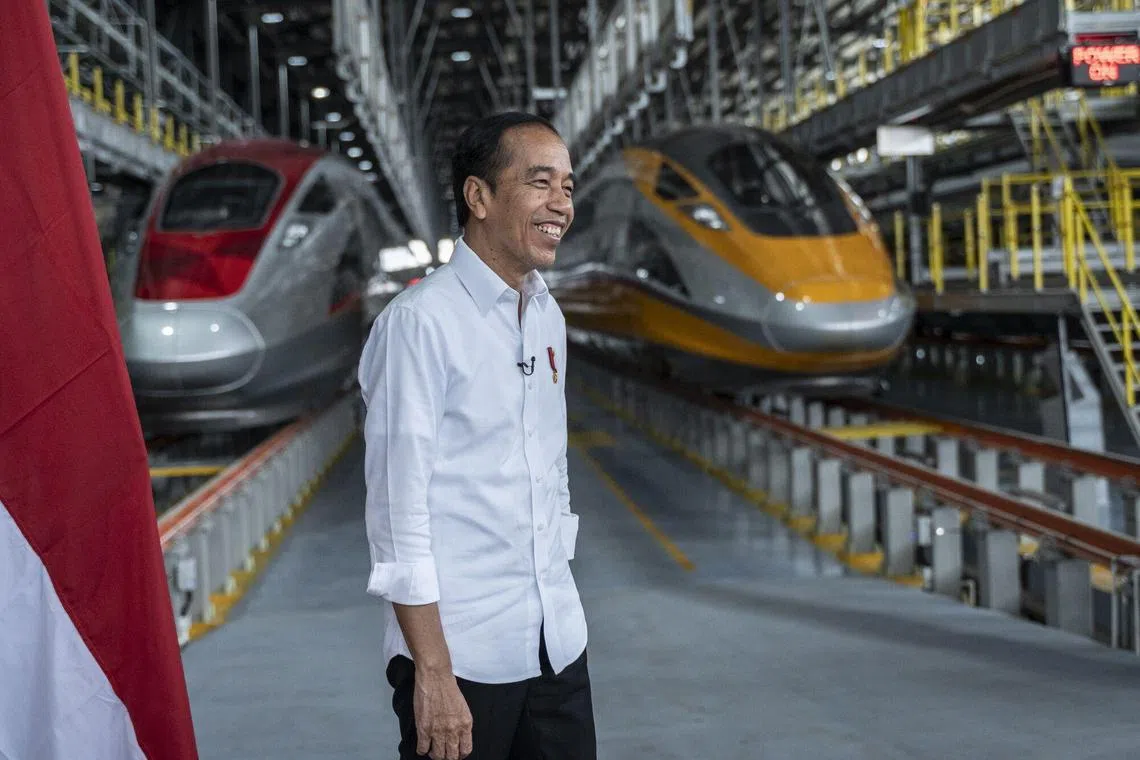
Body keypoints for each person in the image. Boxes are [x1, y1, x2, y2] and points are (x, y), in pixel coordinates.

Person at [358, 111, 596, 760]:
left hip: (555, 643)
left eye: (569, 187)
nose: (561, 204)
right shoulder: (420, 324)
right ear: (479, 197)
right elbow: (396, 512)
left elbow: (551, 464)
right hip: (462, 659)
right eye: (540, 183)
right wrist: (432, 673)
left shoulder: (545, 315)